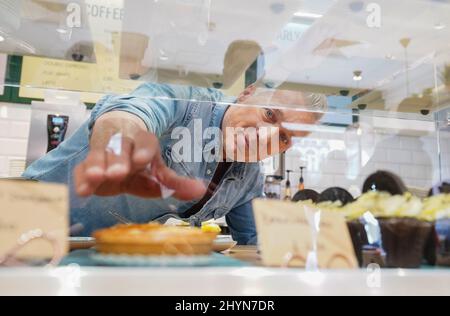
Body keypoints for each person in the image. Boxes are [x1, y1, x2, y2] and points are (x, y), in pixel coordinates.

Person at [23, 83, 327, 245]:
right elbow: (126, 115)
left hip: (102, 261)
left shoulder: (248, 178)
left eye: (285, 137)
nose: (267, 136)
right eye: (270, 115)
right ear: (247, 94)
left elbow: (257, 241)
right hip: (25, 223)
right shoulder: (186, 102)